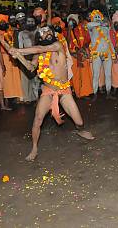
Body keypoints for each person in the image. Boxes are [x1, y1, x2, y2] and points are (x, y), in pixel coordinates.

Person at [8, 26, 94, 161]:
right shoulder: (38, 54)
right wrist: (19, 57)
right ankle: (34, 148)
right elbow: (31, 67)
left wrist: (19, 50)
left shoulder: (57, 45)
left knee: (79, 121)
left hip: (64, 90)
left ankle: (80, 130)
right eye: (43, 32)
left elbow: (41, 48)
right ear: (39, 37)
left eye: (48, 31)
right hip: (48, 90)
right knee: (37, 119)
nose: (46, 33)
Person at [87, 10, 115, 100]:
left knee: (108, 74)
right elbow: (89, 25)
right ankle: (95, 93)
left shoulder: (106, 28)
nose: (98, 18)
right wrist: (100, 23)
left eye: (99, 17)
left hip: (107, 53)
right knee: (96, 74)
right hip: (96, 54)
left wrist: (113, 54)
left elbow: (110, 41)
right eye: (96, 17)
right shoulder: (91, 27)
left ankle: (108, 93)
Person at [0, 14, 22, 104]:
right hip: (3, 56)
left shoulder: (10, 31)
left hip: (13, 55)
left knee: (16, 77)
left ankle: (18, 96)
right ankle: (6, 98)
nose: (3, 23)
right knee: (6, 78)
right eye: (1, 22)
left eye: (4, 21)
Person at [67, 14, 93, 98]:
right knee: (76, 75)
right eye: (70, 20)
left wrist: (82, 48)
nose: (72, 22)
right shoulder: (65, 31)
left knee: (85, 74)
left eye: (73, 20)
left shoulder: (82, 29)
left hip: (82, 54)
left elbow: (88, 40)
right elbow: (66, 44)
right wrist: (68, 30)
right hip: (73, 55)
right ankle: (78, 93)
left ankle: (85, 92)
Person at [18, 16, 39, 103]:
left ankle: (37, 98)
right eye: (28, 21)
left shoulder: (38, 32)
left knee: (36, 80)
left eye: (32, 21)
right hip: (25, 58)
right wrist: (21, 59)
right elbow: (20, 47)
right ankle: (27, 98)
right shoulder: (21, 33)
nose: (30, 23)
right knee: (26, 80)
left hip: (37, 57)